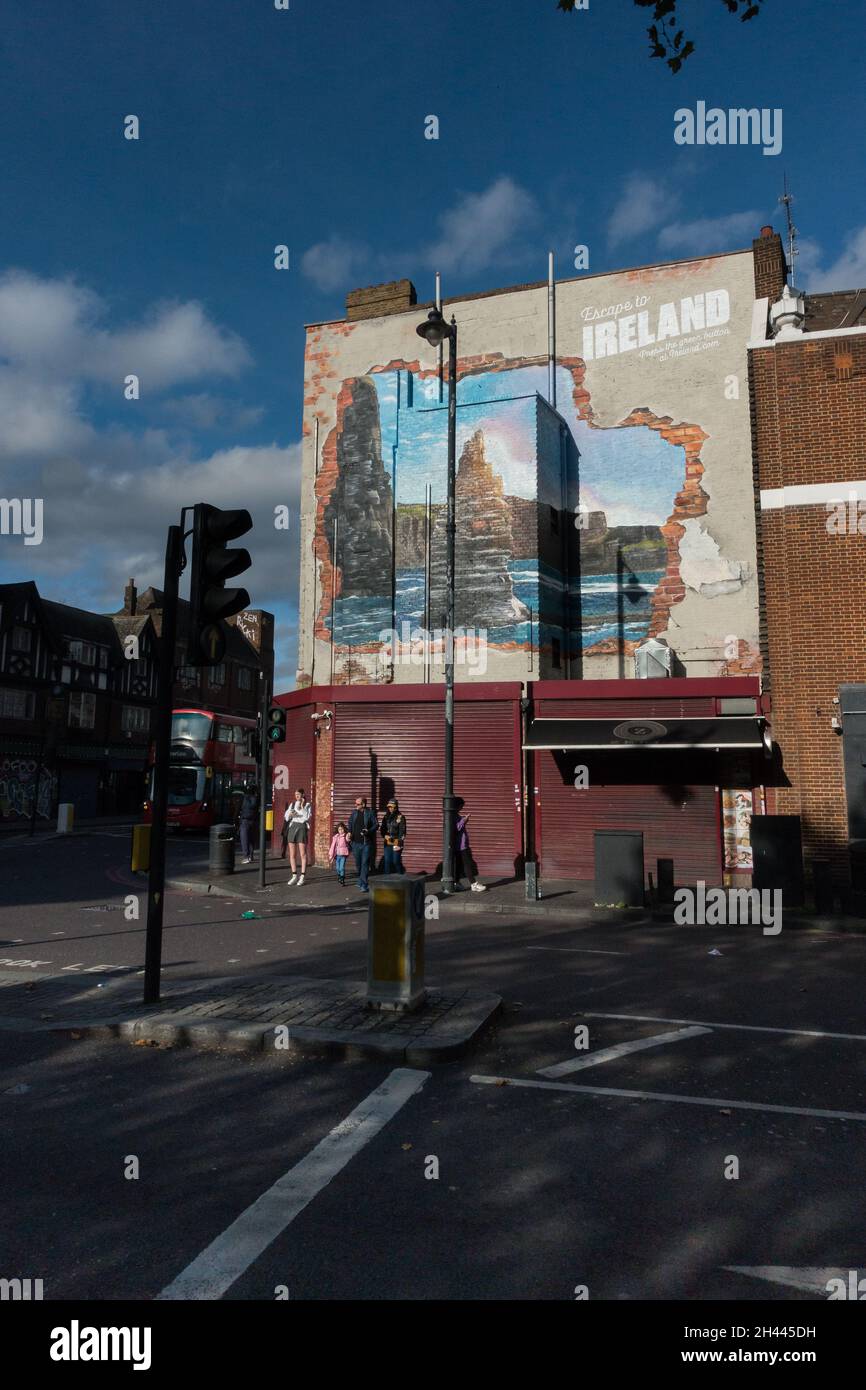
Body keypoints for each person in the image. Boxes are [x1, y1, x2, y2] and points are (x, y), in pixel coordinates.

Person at [455, 799, 486, 891]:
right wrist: (464, 820)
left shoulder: (456, 815)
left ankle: (456, 883)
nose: (462, 808)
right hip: (460, 846)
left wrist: (464, 820)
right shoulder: (452, 815)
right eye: (461, 806)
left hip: (461, 845)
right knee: (467, 865)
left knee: (459, 865)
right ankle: (473, 884)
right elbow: (456, 828)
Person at [347, 795, 377, 892]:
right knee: (358, 864)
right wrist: (349, 832)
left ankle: (364, 884)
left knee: (364, 863)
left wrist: (368, 831)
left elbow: (376, 825)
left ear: (363, 804)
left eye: (358, 804)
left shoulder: (370, 813)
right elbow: (350, 823)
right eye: (355, 803)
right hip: (355, 843)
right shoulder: (354, 813)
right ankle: (360, 880)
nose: (355, 805)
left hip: (366, 843)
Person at [285, 788, 312, 886]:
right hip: (293, 827)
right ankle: (294, 875)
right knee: (292, 854)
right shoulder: (292, 804)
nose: (296, 796)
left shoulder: (307, 805)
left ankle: (303, 876)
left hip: (302, 828)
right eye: (295, 794)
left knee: (303, 854)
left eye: (298, 795)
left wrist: (302, 806)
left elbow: (306, 817)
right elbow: (286, 817)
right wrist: (291, 814)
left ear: (303, 795)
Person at [379, 798, 407, 874]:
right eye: (389, 807)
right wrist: (384, 836)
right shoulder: (385, 817)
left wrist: (399, 843)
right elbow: (382, 830)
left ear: (396, 807)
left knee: (396, 861)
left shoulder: (400, 817)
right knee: (387, 862)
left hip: (396, 841)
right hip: (387, 842)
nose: (390, 808)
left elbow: (402, 832)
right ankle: (386, 880)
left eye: (392, 807)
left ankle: (400, 877)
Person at [238, 783, 259, 865]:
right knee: (251, 839)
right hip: (254, 820)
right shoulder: (256, 798)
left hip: (245, 820)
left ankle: (246, 857)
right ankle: (250, 855)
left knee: (244, 839)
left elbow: (240, 808)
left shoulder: (244, 798)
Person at [328, 821, 351, 886]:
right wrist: (331, 855)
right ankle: (339, 876)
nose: (341, 831)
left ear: (344, 829)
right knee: (338, 868)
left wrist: (349, 836)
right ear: (338, 830)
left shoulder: (345, 836)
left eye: (342, 829)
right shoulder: (336, 837)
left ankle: (342, 879)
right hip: (337, 855)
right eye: (339, 829)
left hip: (343, 855)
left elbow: (348, 840)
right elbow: (333, 846)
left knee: (342, 868)